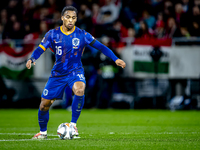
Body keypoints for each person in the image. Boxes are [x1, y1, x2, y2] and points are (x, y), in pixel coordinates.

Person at [26, 6, 126, 139]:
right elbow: (40, 49)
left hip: (75, 71)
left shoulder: (83, 35)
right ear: (62, 18)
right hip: (58, 74)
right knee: (44, 104)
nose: (70, 20)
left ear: (76, 19)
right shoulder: (52, 34)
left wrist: (116, 59)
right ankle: (42, 132)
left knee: (80, 89)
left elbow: (101, 46)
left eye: (73, 18)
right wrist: (32, 58)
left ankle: (73, 125)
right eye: (68, 17)